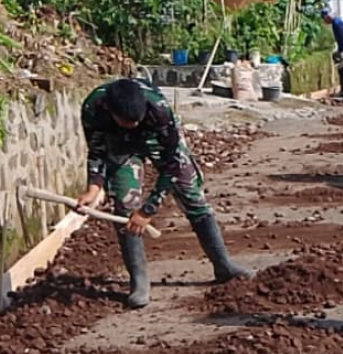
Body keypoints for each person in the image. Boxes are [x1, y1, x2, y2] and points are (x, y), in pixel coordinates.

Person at [75, 78, 253, 309]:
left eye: (137, 120)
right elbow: (97, 150)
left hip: (159, 142)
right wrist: (94, 187)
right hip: (119, 146)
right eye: (127, 121)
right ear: (111, 111)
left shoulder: (158, 109)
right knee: (125, 205)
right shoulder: (94, 107)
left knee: (192, 196)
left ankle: (223, 265)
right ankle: (139, 281)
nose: (134, 124)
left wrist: (149, 209)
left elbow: (172, 164)